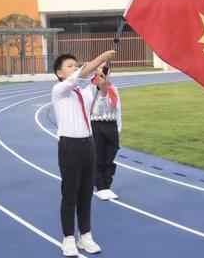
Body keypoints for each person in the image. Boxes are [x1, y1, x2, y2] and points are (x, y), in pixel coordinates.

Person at [52, 49, 116, 257]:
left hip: (89, 145)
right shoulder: (60, 90)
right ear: (60, 73)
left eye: (75, 64)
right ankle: (68, 237)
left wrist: (103, 77)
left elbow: (103, 97)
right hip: (70, 147)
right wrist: (101, 58)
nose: (74, 68)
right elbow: (81, 75)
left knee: (86, 195)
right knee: (70, 193)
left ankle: (85, 235)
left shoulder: (85, 92)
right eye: (69, 66)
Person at [90, 65, 122, 200]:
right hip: (97, 125)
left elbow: (118, 109)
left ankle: (107, 185)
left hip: (111, 125)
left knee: (110, 158)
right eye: (101, 68)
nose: (104, 71)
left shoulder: (113, 88)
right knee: (98, 157)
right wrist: (101, 89)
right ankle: (100, 186)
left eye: (107, 69)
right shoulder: (91, 89)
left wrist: (118, 127)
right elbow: (95, 109)